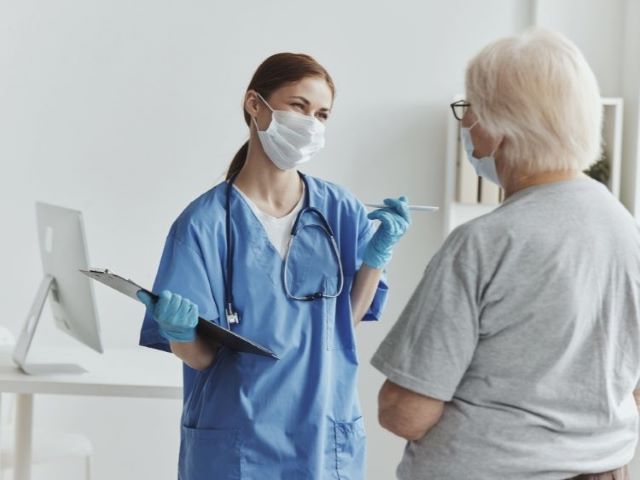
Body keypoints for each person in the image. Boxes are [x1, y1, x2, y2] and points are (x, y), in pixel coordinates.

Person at [371, 30, 640, 480]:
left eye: (469, 108)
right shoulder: (626, 229)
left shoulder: (484, 243)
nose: (466, 122)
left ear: (496, 127)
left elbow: (405, 412)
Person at [138, 52, 411, 480]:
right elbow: (201, 358)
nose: (311, 124)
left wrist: (375, 259)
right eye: (299, 107)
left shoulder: (339, 209)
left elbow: (342, 325)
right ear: (254, 104)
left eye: (322, 114)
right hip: (239, 444)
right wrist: (179, 332)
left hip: (324, 438)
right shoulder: (204, 224)